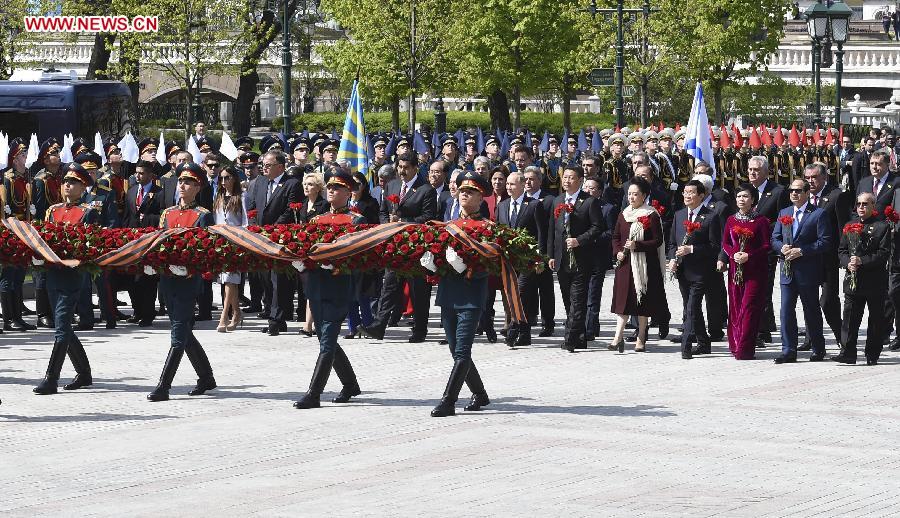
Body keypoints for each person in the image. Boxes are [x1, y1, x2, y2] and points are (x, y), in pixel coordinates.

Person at [293, 169, 365, 409]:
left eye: (338, 187)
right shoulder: (316, 220)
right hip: (317, 285)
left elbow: (358, 256)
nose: (332, 191)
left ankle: (314, 394)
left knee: (327, 339)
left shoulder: (356, 220)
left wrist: (336, 263)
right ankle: (350, 385)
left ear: (348, 192)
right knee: (326, 338)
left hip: (339, 285)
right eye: (330, 187)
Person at [147, 162, 217, 401]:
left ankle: (163, 385)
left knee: (178, 333)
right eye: (181, 181)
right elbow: (159, 242)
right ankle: (206, 377)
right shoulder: (168, 213)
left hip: (188, 280)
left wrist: (189, 267)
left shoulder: (203, 215)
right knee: (184, 331)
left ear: (198, 187)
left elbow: (207, 250)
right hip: (168, 279)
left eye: (188, 182)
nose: (183, 186)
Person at [33, 163, 99, 395]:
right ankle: (84, 373)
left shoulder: (88, 212)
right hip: (53, 274)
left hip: (72, 276)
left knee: (61, 326)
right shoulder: (53, 210)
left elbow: (90, 246)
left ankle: (51, 378)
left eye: (73, 182)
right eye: (65, 182)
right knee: (64, 327)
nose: (67, 185)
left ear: (83, 187)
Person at [431, 171, 492, 417]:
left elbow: (490, 263)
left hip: (471, 295)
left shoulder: (487, 228)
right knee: (456, 350)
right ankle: (480, 394)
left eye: (471, 191)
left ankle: (449, 400)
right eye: (462, 190)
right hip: (448, 293)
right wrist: (431, 264)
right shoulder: (449, 226)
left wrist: (465, 267)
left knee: (461, 352)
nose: (465, 194)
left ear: (481, 198)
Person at [362, 152, 437, 343]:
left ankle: (420, 329)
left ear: (415, 169)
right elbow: (382, 211)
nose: (402, 171)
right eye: (399, 167)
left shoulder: (425, 190)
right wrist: (387, 224)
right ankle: (379, 326)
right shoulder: (392, 185)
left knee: (417, 290)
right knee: (389, 287)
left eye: (406, 168)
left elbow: (428, 217)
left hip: (416, 249)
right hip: (394, 247)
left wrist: (403, 222)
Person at [771, 178, 833, 364]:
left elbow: (825, 241)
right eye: (791, 190)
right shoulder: (784, 212)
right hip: (787, 271)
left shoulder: (818, 214)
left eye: (798, 190)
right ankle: (788, 350)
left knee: (811, 310)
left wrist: (802, 250)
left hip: (808, 271)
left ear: (807, 193)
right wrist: (781, 247)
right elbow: (774, 238)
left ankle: (817, 348)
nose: (794, 194)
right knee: (786, 311)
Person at [547, 165, 604, 352]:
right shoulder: (557, 200)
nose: (567, 181)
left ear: (580, 181)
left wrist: (579, 240)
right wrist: (551, 255)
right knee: (567, 300)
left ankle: (570, 339)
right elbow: (552, 231)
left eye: (571, 178)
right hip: (562, 259)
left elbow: (597, 227)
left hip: (582, 259)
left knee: (578, 300)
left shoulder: (589, 202)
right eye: (565, 177)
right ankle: (580, 336)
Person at [833, 193, 891, 366]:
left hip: (874, 281)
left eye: (865, 204)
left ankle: (872, 353)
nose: (861, 207)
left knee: (875, 319)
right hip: (853, 280)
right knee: (850, 318)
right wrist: (847, 263)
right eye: (858, 204)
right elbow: (842, 250)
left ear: (873, 206)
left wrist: (862, 261)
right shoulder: (850, 225)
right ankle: (848, 352)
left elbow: (883, 253)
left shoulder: (882, 227)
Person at [609, 176, 666, 352]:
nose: (631, 198)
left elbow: (657, 241)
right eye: (629, 194)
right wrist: (618, 251)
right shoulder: (624, 213)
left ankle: (641, 335)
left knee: (643, 301)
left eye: (636, 194)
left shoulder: (650, 215)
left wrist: (638, 245)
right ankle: (618, 337)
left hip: (645, 265)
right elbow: (616, 237)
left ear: (644, 196)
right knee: (623, 301)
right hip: (625, 264)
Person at [667, 180, 722, 359]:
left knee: (692, 307)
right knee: (691, 307)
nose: (687, 196)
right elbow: (673, 243)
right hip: (683, 270)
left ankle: (686, 345)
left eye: (691, 192)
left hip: (701, 271)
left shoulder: (711, 216)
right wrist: (673, 259)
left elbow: (715, 247)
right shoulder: (679, 215)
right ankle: (703, 342)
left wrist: (692, 249)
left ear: (701, 195)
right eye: (685, 192)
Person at [252, 150, 302, 336]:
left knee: (278, 281)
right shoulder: (260, 182)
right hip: (261, 237)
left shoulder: (291, 184)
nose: (264, 167)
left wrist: (273, 229)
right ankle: (272, 314)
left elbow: (290, 210)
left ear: (280, 166)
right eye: (263, 164)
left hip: (280, 238)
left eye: (268, 165)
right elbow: (255, 207)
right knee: (265, 278)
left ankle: (277, 319)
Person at [719, 184, 771, 360]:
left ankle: (745, 348)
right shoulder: (731, 220)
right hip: (736, 269)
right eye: (739, 196)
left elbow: (766, 246)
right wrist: (734, 254)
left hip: (755, 271)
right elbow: (725, 243)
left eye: (746, 196)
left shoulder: (761, 221)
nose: (742, 199)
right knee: (735, 307)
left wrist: (749, 255)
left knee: (749, 307)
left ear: (753, 199)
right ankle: (734, 343)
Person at [496, 170, 545, 347]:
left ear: (523, 185)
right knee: (513, 295)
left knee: (521, 293)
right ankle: (525, 334)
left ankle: (513, 329)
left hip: (527, 260)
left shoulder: (533, 205)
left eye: (512, 184)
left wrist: (539, 257)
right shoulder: (502, 205)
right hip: (508, 260)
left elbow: (541, 233)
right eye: (507, 184)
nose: (508, 187)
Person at [122, 160, 164, 327]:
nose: (138, 176)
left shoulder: (159, 193)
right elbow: (127, 216)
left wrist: (147, 219)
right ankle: (137, 311)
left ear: (150, 175)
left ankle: (148, 314)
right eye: (136, 173)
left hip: (150, 241)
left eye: (141, 173)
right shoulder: (132, 191)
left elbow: (162, 215)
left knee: (148, 279)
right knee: (133, 279)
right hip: (133, 240)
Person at [1, 137, 36, 332]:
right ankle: (9, 319)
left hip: (24, 231)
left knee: (19, 277)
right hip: (11, 231)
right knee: (9, 276)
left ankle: (17, 316)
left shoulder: (25, 179)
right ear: (15, 159)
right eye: (23, 154)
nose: (26, 157)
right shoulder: (7, 180)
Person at [583, 177, 620, 342]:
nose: (588, 191)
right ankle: (583, 324)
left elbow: (612, 232)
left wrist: (591, 238)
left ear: (599, 191)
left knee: (593, 293)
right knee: (580, 293)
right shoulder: (579, 205)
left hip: (597, 257)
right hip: (580, 256)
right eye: (586, 187)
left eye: (591, 188)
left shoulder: (608, 209)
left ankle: (590, 327)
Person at [345, 171, 380, 339]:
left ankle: (366, 325)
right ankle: (352, 327)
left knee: (362, 293)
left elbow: (374, 225)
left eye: (357, 184)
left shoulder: (370, 203)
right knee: (349, 292)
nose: (354, 188)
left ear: (364, 186)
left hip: (363, 252)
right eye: (351, 184)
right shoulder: (344, 202)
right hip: (346, 251)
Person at [213, 166, 248, 333]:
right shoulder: (219, 196)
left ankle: (224, 315)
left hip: (235, 242)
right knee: (228, 280)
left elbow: (246, 222)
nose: (224, 181)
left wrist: (241, 239)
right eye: (222, 178)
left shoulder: (241, 197)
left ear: (234, 178)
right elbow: (217, 219)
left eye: (227, 178)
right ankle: (237, 313)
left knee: (230, 279)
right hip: (221, 241)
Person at [296, 172, 327, 336]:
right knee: (309, 287)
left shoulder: (324, 205)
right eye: (305, 184)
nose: (306, 187)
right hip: (305, 250)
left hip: (318, 250)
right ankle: (310, 324)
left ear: (318, 188)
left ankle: (310, 325)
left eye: (310, 184)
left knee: (315, 287)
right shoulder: (303, 204)